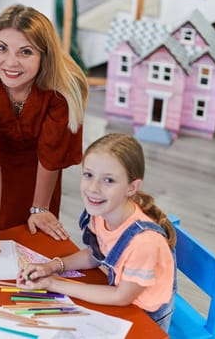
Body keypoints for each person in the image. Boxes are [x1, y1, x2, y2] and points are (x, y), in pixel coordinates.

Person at [0, 4, 89, 254]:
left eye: (25, 52)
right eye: (2, 48)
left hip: (39, 180)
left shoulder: (62, 93)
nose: (11, 62)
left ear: (44, 56)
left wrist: (39, 208)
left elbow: (51, 155)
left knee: (34, 248)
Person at [17, 133, 177, 331]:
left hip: (145, 318)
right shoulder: (103, 211)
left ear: (131, 187)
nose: (93, 188)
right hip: (120, 301)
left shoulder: (144, 243)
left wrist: (53, 284)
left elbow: (121, 297)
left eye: (108, 180)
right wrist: (54, 266)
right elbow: (97, 254)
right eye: (88, 175)